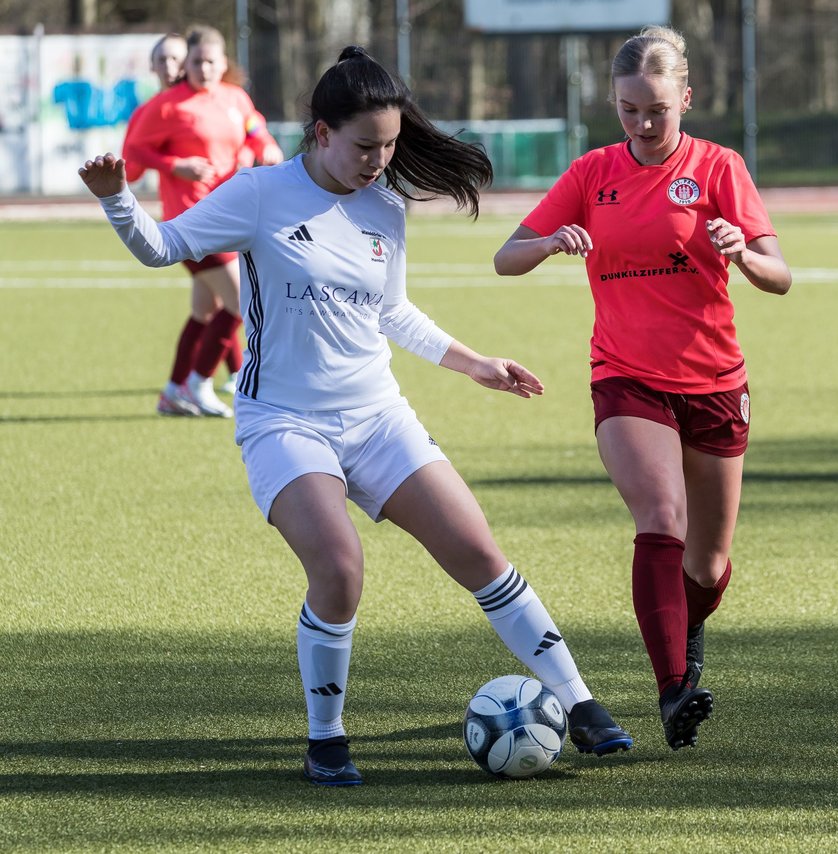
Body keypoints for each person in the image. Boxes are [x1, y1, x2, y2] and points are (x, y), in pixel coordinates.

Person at [80, 45, 632, 785]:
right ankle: (326, 738)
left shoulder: (386, 208)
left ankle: (582, 703)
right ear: (320, 134)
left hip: (377, 417)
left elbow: (391, 312)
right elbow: (163, 247)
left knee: (478, 552)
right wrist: (119, 197)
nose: (379, 161)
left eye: (391, 146)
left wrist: (476, 364)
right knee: (339, 569)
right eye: (365, 146)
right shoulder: (259, 194)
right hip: (283, 422)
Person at [493, 26, 791, 751]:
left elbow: (780, 275)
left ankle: (683, 637)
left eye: (657, 109)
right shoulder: (594, 173)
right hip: (626, 378)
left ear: (685, 98)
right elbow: (506, 259)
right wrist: (549, 242)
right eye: (629, 110)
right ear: (615, 104)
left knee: (710, 564)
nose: (644, 124)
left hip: (716, 381)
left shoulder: (720, 167)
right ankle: (673, 690)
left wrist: (742, 252)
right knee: (661, 514)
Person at [123, 25, 284, 418]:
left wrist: (265, 148)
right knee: (244, 303)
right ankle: (199, 382)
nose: (203, 68)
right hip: (191, 222)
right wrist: (174, 165)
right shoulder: (166, 106)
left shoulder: (234, 98)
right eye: (196, 62)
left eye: (210, 61)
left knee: (206, 312)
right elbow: (132, 152)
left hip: (234, 217)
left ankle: (174, 390)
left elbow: (255, 128)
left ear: (224, 63)